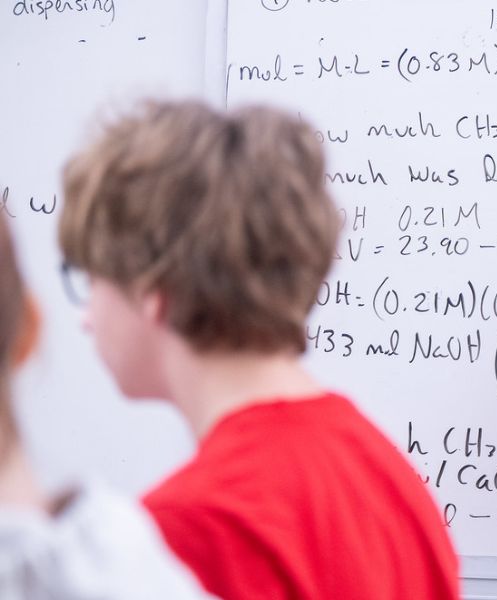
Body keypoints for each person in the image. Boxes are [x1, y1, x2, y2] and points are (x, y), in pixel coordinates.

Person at [57, 100, 460, 599]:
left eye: (90, 277)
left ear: (150, 293)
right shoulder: (387, 476)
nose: (85, 317)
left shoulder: (186, 534)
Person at [0, 216, 211, 599]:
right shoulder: (139, 565)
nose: (85, 319)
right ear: (29, 328)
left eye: (90, 279)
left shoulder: (189, 521)